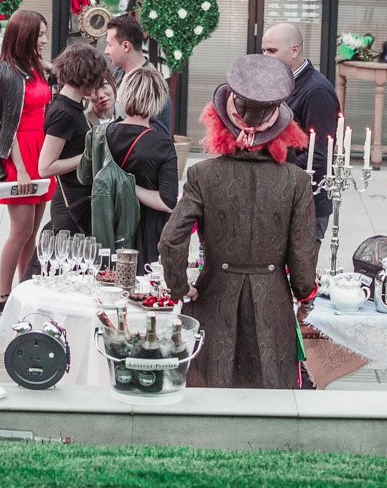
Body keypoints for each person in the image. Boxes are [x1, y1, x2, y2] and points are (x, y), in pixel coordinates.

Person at [159, 54, 317, 389]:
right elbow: (302, 257)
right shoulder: (296, 181)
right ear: (282, 131)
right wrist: (306, 297)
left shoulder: (202, 175)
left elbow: (171, 239)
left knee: (211, 391)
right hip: (273, 302)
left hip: (213, 297)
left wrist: (180, 287)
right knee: (270, 395)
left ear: (219, 124)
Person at [0, 9, 55, 322]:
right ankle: (3, 295)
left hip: (41, 151)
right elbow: (2, 126)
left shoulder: (36, 68)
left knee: (32, 233)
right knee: (20, 230)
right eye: (40, 34)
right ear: (25, 36)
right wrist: (21, 168)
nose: (44, 40)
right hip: (20, 155)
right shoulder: (5, 73)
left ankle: (26, 292)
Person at [261, 22, 340, 253]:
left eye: (272, 51)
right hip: (282, 197)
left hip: (307, 203)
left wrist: (270, 171)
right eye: (263, 50)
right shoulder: (279, 81)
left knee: (300, 271)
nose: (265, 57)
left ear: (294, 50)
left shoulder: (317, 91)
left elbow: (319, 157)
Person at [107, 67, 179, 268]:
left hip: (107, 224)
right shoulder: (162, 144)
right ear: (158, 100)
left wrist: (120, 183)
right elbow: (167, 201)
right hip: (145, 233)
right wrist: (131, 186)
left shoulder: (103, 133)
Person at [38, 43, 110, 235]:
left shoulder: (70, 106)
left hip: (76, 201)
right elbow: (45, 167)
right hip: (70, 206)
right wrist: (89, 155)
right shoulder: (64, 112)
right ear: (87, 76)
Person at [104, 14, 173, 137]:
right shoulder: (116, 75)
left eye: (109, 45)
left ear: (126, 46)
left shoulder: (154, 84)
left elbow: (161, 136)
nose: (106, 51)